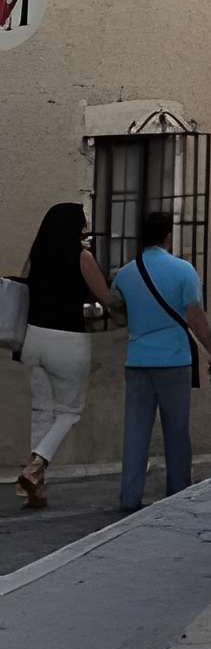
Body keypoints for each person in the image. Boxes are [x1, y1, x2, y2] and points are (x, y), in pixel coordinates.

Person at [113, 211, 211, 513]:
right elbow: (195, 316)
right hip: (173, 360)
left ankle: (129, 496)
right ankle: (177, 491)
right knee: (176, 430)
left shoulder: (125, 274)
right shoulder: (183, 270)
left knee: (135, 431)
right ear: (167, 236)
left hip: (137, 360)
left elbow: (117, 312)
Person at [14, 203, 117, 508]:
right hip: (67, 340)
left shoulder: (37, 255)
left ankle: (36, 490)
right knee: (69, 412)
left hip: (33, 339)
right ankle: (35, 467)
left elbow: (23, 291)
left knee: (41, 411)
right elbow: (105, 297)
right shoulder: (81, 256)